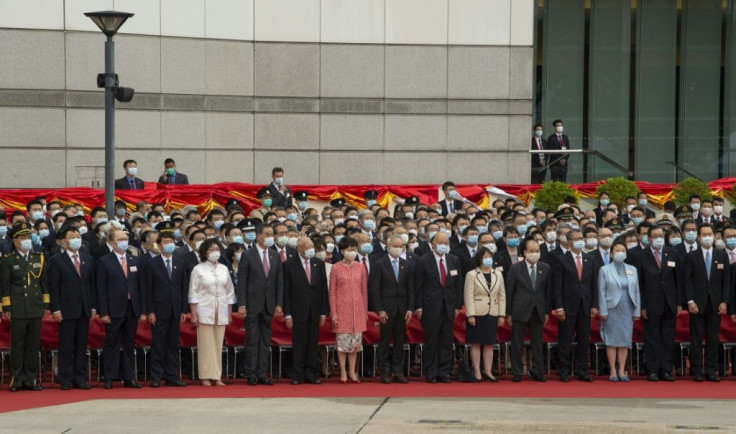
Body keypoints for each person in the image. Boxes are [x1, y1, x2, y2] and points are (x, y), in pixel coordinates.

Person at [0, 222, 48, 391]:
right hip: (18, 306)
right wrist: (6, 308)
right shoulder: (8, 260)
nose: (27, 239)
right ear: (15, 240)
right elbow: (4, 286)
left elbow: (44, 284)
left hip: (35, 306)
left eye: (28, 236)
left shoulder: (39, 257)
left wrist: (45, 305)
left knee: (33, 344)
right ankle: (16, 379)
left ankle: (30, 378)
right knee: (18, 344)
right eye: (23, 237)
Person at [632, 225, 682, 382]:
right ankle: (652, 370)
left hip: (669, 302)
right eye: (655, 236)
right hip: (650, 303)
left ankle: (666, 370)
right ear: (649, 238)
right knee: (652, 337)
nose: (659, 238)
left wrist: (679, 302)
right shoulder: (641, 255)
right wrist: (641, 306)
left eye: (661, 235)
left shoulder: (673, 253)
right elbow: (638, 283)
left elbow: (678, 281)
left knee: (668, 337)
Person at [47, 227, 95, 390]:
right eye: (72, 237)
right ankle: (65, 377)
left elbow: (91, 285)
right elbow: (53, 287)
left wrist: (93, 306)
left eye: (78, 236)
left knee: (81, 344)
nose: (76, 239)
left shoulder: (87, 259)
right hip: (66, 309)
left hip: (84, 308)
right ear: (64, 241)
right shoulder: (56, 260)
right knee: (66, 345)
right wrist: (56, 309)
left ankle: (79, 377)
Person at [96, 228, 144, 389]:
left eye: (125, 238)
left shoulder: (134, 260)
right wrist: (104, 312)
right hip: (113, 309)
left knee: (129, 344)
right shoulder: (104, 261)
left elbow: (139, 287)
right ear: (111, 242)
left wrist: (141, 309)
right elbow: (101, 289)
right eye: (120, 239)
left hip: (132, 308)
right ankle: (109, 377)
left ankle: (129, 377)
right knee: (112, 344)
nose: (124, 241)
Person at [236, 223, 283, 386]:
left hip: (269, 304)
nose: (271, 237)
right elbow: (241, 282)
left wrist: (279, 303)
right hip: (252, 304)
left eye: (272, 234)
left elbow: (279, 281)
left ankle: (263, 373)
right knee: (252, 340)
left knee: (265, 340)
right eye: (268, 234)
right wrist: (242, 304)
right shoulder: (248, 255)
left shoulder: (275, 255)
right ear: (259, 236)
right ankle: (251, 373)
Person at [414, 232, 464, 383]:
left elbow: (458, 284)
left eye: (446, 242)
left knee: (446, 342)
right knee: (431, 341)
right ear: (433, 243)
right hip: (430, 307)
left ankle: (444, 372)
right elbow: (418, 286)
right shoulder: (423, 261)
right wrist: (419, 307)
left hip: (448, 307)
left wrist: (457, 306)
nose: (443, 245)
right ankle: (430, 372)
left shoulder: (453, 259)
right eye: (440, 242)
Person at [142, 228, 188, 388]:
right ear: (159, 245)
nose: (169, 245)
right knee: (158, 343)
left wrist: (183, 309)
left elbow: (183, 287)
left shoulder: (180, 263)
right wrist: (150, 311)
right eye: (166, 242)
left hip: (175, 309)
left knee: (173, 344)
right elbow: (147, 289)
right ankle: (156, 376)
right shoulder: (151, 264)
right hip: (158, 310)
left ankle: (172, 375)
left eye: (171, 242)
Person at [684, 224, 729, 382]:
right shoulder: (691, 256)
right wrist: (689, 300)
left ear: (714, 236)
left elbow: (726, 281)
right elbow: (687, 281)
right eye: (704, 234)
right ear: (699, 237)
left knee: (712, 338)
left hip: (715, 303)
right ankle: (696, 369)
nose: (707, 237)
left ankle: (711, 369)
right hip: (697, 303)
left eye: (710, 233)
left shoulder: (721, 255)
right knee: (696, 338)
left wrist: (724, 301)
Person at [189, 238, 236, 386]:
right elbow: (193, 293)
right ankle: (205, 376)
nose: (214, 252)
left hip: (221, 311)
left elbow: (230, 292)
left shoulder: (223, 269)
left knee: (217, 344)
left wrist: (229, 313)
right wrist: (194, 314)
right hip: (204, 311)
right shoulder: (198, 269)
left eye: (216, 249)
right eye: (211, 249)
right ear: (204, 252)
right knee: (205, 345)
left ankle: (217, 376)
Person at [369, 235, 414, 384]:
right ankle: (384, 371)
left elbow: (410, 289)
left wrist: (410, 309)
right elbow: (375, 289)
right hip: (386, 310)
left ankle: (398, 371)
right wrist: (379, 310)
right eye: (395, 246)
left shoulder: (406, 264)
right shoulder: (379, 264)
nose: (398, 248)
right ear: (388, 247)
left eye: (400, 246)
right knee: (384, 341)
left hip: (402, 309)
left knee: (399, 342)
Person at [283, 236, 329, 385]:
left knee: (313, 345)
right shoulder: (289, 265)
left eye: (312, 246)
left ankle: (311, 374)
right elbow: (286, 292)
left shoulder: (318, 263)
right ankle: (297, 375)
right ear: (299, 249)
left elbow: (323, 289)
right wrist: (288, 314)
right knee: (299, 344)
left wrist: (323, 311)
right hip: (298, 311)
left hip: (315, 311)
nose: (311, 249)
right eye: (307, 246)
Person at [554, 228, 597, 382]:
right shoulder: (561, 259)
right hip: (567, 306)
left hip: (585, 305)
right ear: (570, 242)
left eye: (581, 238)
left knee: (584, 340)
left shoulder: (589, 259)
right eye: (577, 238)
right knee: (565, 339)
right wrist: (559, 307)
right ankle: (564, 370)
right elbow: (557, 286)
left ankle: (582, 371)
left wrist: (594, 305)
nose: (580, 240)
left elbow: (593, 284)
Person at [506, 239, 550, 382]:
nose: (534, 254)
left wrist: (547, 311)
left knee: (537, 343)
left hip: (538, 310)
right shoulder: (515, 268)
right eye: (531, 251)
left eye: (537, 251)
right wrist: (508, 313)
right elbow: (509, 291)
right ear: (524, 252)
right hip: (519, 310)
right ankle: (517, 372)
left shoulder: (545, 267)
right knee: (517, 343)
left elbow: (548, 292)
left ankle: (538, 372)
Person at [598, 239, 641, 382]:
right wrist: (603, 310)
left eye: (623, 250)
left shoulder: (632, 269)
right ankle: (612, 369)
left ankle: (622, 370)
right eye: (617, 250)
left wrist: (637, 311)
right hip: (611, 308)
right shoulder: (605, 269)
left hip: (627, 307)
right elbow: (601, 291)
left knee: (624, 340)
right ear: (611, 253)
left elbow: (636, 292)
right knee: (612, 341)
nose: (620, 253)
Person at [329, 236, 368, 384]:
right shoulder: (336, 268)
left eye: (354, 249)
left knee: (355, 345)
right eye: (349, 250)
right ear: (342, 251)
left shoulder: (360, 267)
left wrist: (364, 311)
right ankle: (343, 372)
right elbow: (332, 291)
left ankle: (352, 371)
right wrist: (334, 312)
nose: (352, 252)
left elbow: (364, 290)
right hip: (341, 310)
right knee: (343, 344)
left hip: (357, 310)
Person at [464, 246, 505, 382]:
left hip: (492, 312)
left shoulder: (498, 274)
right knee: (476, 343)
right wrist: (470, 315)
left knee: (489, 343)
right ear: (479, 259)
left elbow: (502, 295)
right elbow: (468, 296)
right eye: (485, 257)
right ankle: (477, 371)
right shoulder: (471, 274)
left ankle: (488, 371)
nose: (488, 259)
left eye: (490, 257)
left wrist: (501, 314)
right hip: (477, 312)